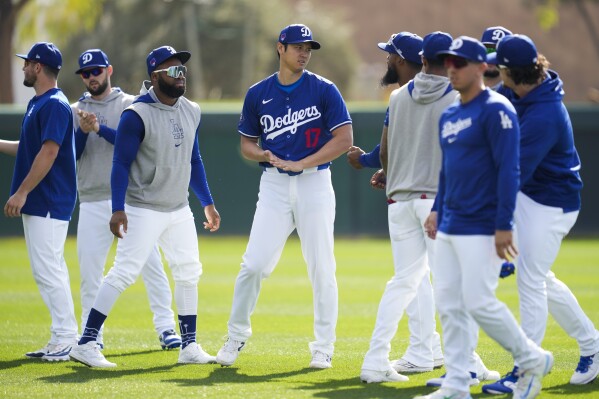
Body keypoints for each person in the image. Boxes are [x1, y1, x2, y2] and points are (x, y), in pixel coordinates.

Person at [416, 36, 553, 399]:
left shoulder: (497, 110)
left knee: (479, 301)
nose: (452, 69)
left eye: (459, 63)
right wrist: (437, 209)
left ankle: (531, 357)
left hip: (482, 223)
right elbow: (448, 171)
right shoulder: (450, 113)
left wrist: (504, 224)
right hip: (450, 223)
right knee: (448, 303)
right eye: (448, 62)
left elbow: (509, 170)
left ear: (481, 67)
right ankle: (457, 383)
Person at [69, 45, 220, 368]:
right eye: (174, 71)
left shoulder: (191, 109)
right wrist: (118, 208)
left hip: (178, 208)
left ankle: (189, 346)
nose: (181, 76)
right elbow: (121, 163)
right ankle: (86, 343)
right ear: (155, 77)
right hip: (143, 207)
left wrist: (207, 202)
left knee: (189, 272)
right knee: (123, 272)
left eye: (183, 70)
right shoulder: (136, 114)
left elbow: (194, 159)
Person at [215, 24, 353, 369]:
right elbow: (247, 143)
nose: (304, 53)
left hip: (314, 183)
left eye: (308, 48)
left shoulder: (324, 89)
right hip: (274, 186)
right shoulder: (258, 92)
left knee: (322, 268)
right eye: (297, 47)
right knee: (254, 265)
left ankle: (324, 346)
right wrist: (261, 154)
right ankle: (235, 336)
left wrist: (304, 162)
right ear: (281, 48)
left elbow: (344, 139)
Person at [482, 34, 599, 394]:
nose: (495, 75)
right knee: (541, 278)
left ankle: (526, 369)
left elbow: (512, 173)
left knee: (530, 280)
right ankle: (593, 345)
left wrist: (503, 227)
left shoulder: (545, 113)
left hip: (552, 204)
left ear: (512, 72)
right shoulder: (518, 92)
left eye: (499, 69)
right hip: (532, 195)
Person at [71, 49, 181, 351]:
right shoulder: (75, 109)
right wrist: (82, 132)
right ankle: (92, 338)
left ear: (109, 69)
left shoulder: (131, 104)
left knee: (151, 266)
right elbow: (72, 155)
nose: (92, 77)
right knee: (90, 271)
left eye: (96, 70)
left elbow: (130, 146)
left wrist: (98, 128)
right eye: (85, 73)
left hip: (131, 199)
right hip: (93, 198)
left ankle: (166, 328)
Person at [359, 31, 444, 383]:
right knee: (442, 282)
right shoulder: (456, 95)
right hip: (435, 198)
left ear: (412, 60)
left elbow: (387, 150)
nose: (388, 60)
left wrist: (381, 169)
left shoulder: (397, 98)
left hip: (402, 199)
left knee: (410, 281)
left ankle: (423, 351)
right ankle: (448, 355)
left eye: (392, 55)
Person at [0, 42, 77, 361]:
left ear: (39, 67)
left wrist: (22, 191)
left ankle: (66, 338)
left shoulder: (55, 104)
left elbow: (49, 152)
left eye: (27, 63)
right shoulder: (40, 102)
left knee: (48, 270)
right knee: (48, 269)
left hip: (49, 199)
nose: (23, 67)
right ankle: (61, 335)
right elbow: (30, 148)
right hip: (41, 200)